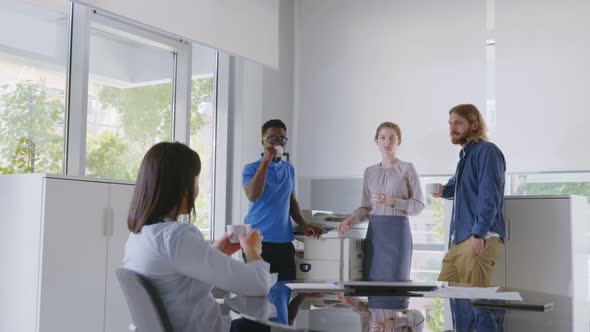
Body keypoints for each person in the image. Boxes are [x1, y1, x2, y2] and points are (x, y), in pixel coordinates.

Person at [123, 142, 273, 332]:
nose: (196, 188)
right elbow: (258, 284)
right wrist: (252, 250)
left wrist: (216, 252)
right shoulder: (176, 236)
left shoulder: (140, 235)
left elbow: (181, 285)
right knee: (268, 325)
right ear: (182, 186)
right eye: (196, 181)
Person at [339, 122, 425, 281]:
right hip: (375, 234)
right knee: (373, 281)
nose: (388, 142)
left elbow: (419, 205)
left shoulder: (407, 168)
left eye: (392, 138)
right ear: (376, 141)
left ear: (399, 141)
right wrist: (352, 218)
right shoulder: (369, 172)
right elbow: (366, 207)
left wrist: (392, 201)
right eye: (383, 137)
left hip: (398, 233)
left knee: (396, 282)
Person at [433, 104, 506, 287]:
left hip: (478, 236)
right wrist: (443, 190)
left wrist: (478, 233)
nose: (452, 128)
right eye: (450, 123)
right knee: (453, 303)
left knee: (477, 306)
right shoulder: (465, 156)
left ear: (474, 125)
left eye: (458, 123)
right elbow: (454, 186)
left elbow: (489, 196)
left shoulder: (486, 151)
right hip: (458, 240)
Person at [243, 119, 324, 281]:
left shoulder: (289, 169)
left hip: (284, 241)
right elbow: (252, 195)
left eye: (282, 139)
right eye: (272, 139)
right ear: (263, 142)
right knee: (260, 293)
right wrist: (265, 162)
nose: (277, 142)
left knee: (286, 291)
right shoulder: (251, 168)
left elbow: (291, 201)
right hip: (258, 241)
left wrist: (304, 224)